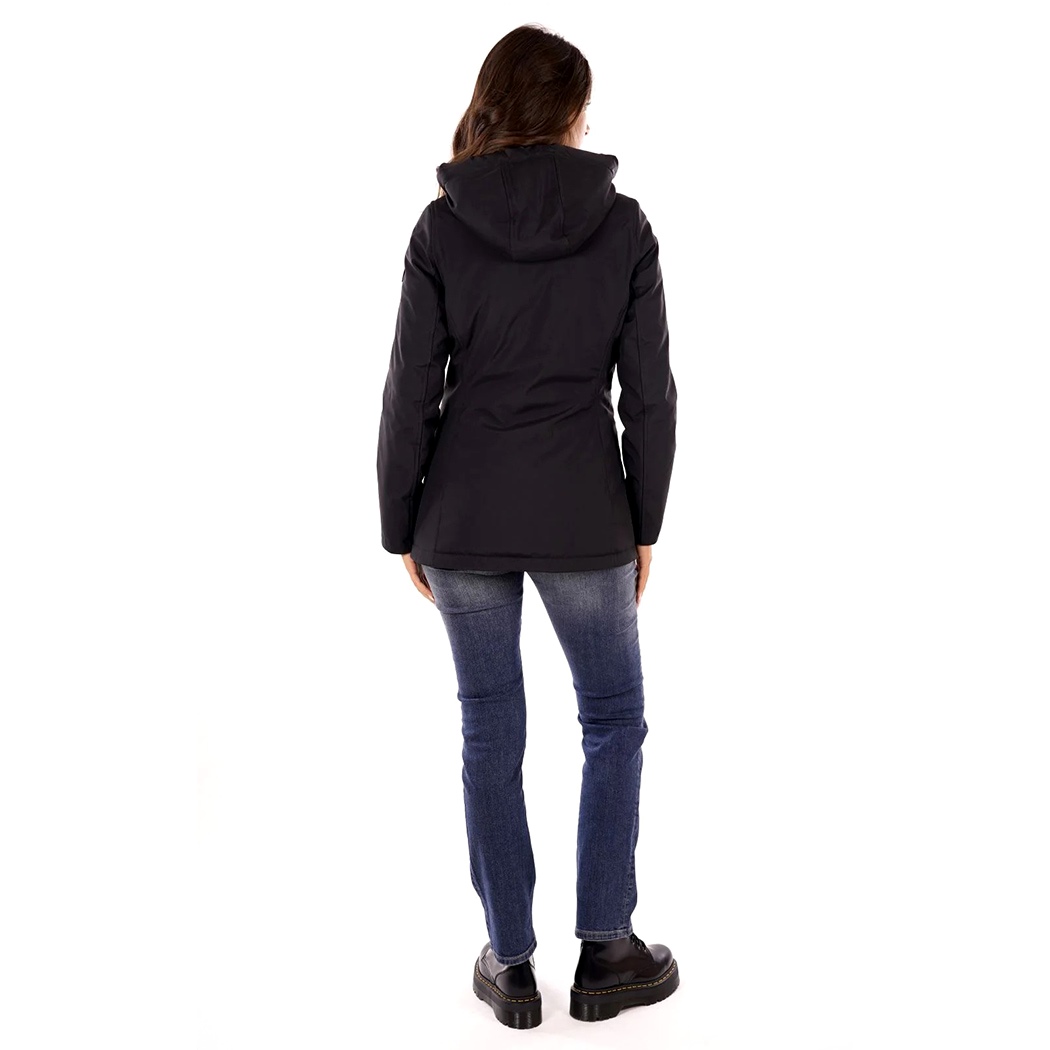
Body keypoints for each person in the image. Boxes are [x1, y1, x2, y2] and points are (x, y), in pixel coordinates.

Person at [376, 24, 679, 1028]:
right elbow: (651, 398)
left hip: (463, 516)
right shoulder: (623, 225)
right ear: (571, 113)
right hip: (586, 515)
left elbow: (410, 392)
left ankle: (509, 963)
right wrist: (644, 521)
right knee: (612, 719)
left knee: (489, 729)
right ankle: (608, 951)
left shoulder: (441, 226)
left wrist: (400, 523)